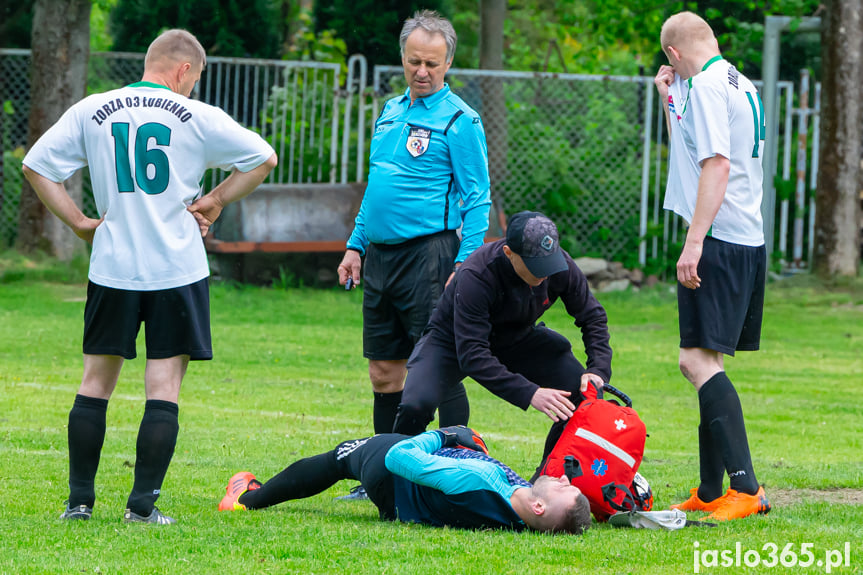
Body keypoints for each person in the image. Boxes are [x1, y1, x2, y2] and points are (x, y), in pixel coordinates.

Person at [22, 29, 277, 525]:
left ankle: (79, 503)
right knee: (163, 386)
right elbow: (262, 158)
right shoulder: (198, 117)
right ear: (183, 69)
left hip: (113, 265)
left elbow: (36, 166)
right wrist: (215, 200)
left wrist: (79, 223)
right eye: (195, 78)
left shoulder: (94, 108)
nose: (194, 88)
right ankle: (141, 507)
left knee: (94, 384)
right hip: (176, 269)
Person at [336, 10, 491, 439]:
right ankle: (384, 474)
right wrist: (356, 244)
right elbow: (378, 185)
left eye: (432, 64)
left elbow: (477, 200)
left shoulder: (461, 121)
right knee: (384, 371)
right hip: (381, 258)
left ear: (448, 65)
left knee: (437, 365)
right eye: (413, 61)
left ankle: (455, 467)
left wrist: (465, 264)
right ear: (402, 57)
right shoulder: (389, 111)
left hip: (430, 257)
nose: (421, 72)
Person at [653, 12, 771, 521]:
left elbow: (716, 164)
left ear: (674, 57)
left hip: (720, 237)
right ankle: (708, 489)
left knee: (696, 363)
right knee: (708, 362)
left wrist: (694, 240)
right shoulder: (734, 80)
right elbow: (695, 146)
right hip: (746, 237)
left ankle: (746, 489)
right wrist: (666, 101)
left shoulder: (702, 86)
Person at [392, 211, 613, 477]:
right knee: (416, 403)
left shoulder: (560, 266)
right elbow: (472, 354)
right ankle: (393, 478)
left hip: (517, 336)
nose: (544, 275)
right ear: (509, 253)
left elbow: (592, 316)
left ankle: (548, 480)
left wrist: (598, 369)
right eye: (535, 266)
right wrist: (530, 392)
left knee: (583, 394)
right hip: (451, 340)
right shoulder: (477, 273)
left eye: (548, 263)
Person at [217, 427, 591, 535]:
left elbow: (401, 458)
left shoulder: (476, 479)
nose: (559, 477)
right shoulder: (520, 515)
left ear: (539, 507)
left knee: (339, 458)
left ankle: (245, 500)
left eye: (562, 486)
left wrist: (445, 435)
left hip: (390, 474)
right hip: (406, 502)